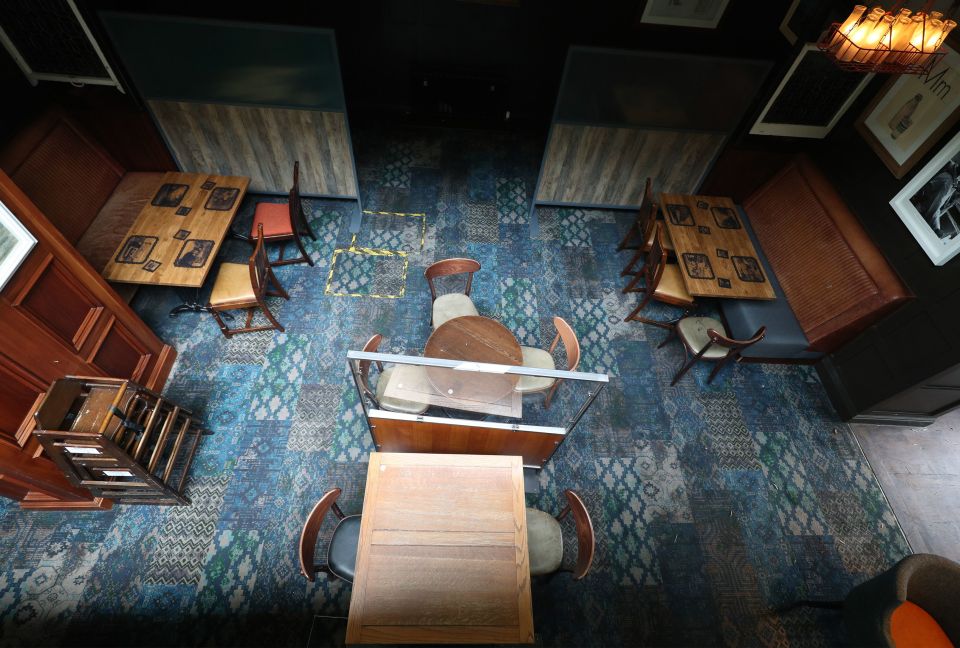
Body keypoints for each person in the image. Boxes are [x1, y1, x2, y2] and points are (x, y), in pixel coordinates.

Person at [913, 158, 960, 238]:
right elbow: (932, 209)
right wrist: (937, 230)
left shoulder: (950, 179)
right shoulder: (947, 182)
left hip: (924, 207)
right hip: (918, 209)